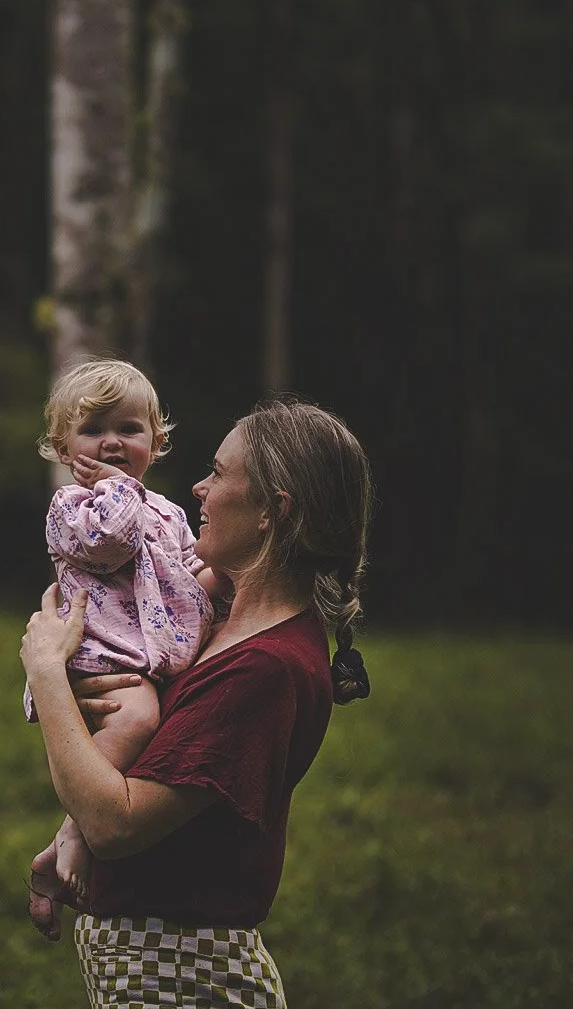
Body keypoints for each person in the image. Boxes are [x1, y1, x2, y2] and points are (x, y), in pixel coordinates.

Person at [21, 396, 373, 1007]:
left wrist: (47, 672)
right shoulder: (214, 620)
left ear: (271, 511)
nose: (198, 488)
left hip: (185, 982)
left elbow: (115, 823)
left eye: (218, 473)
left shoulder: (266, 667)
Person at [25, 359, 227, 900]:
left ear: (155, 442)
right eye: (93, 430)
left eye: (128, 429)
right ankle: (83, 824)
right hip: (104, 648)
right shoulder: (72, 506)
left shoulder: (166, 511)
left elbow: (189, 570)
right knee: (139, 719)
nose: (111, 443)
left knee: (166, 730)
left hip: (155, 649)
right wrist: (119, 489)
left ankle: (67, 841)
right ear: (64, 449)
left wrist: (228, 573)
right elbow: (109, 541)